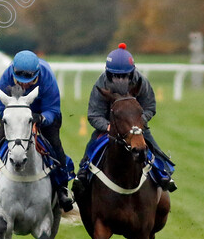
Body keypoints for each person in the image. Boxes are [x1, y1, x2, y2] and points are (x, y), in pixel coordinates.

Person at [0, 50, 75, 212]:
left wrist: (39, 119)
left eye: (29, 81)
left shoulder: (47, 78)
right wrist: (18, 118)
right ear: (13, 73)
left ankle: (62, 188)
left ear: (37, 75)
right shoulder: (6, 77)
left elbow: (53, 110)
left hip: (43, 115)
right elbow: (1, 110)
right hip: (15, 115)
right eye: (20, 81)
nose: (25, 85)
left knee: (54, 143)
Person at [72, 43, 176, 195]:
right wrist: (108, 127)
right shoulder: (101, 84)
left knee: (153, 147)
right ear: (109, 73)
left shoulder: (141, 81)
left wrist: (138, 123)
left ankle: (163, 172)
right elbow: (94, 114)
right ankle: (82, 174)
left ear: (131, 72)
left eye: (125, 76)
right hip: (110, 126)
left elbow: (150, 107)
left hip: (136, 126)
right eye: (116, 76)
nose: (121, 79)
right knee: (92, 146)